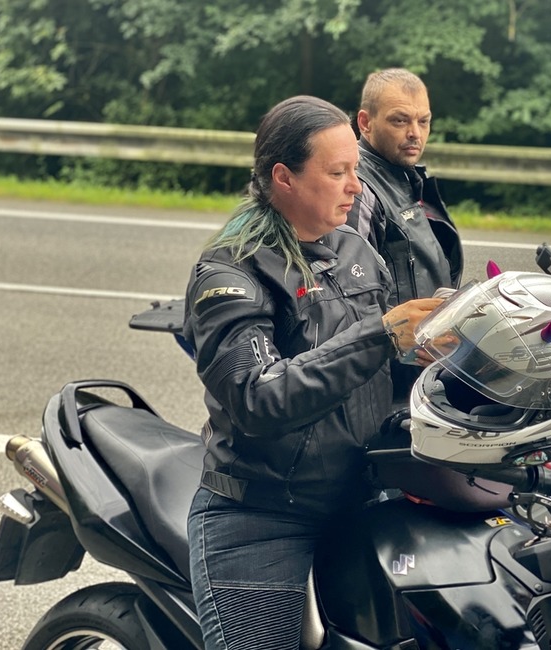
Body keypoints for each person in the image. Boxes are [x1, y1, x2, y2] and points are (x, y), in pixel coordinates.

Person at [181, 95, 441, 650]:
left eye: (356, 169)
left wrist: (436, 349)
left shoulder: (351, 246)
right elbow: (257, 398)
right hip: (262, 510)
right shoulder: (229, 271)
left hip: (365, 492)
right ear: (285, 177)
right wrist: (383, 334)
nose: (358, 186)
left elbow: (370, 359)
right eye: (338, 171)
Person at [347, 67, 463, 403]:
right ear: (365, 123)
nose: (415, 133)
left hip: (421, 373)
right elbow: (348, 302)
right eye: (400, 121)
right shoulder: (358, 189)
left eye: (423, 121)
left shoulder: (408, 179)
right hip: (384, 385)